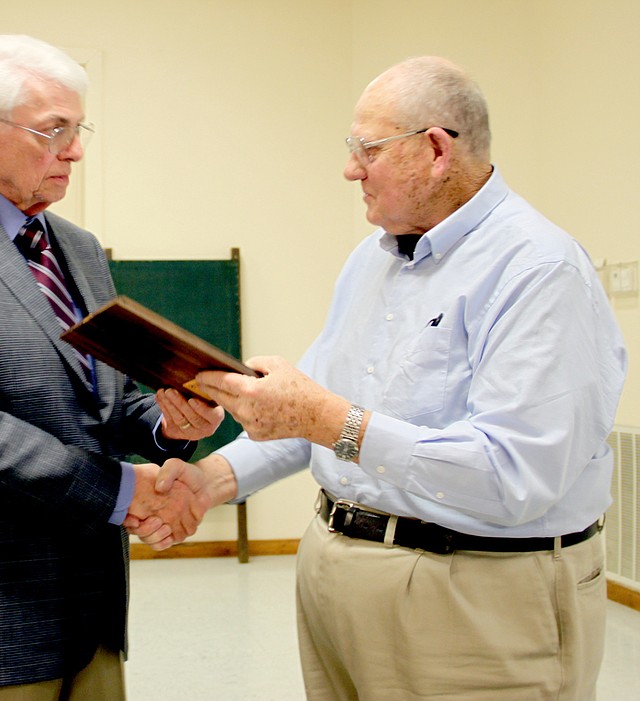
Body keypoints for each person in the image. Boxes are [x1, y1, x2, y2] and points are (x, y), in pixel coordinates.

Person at [131, 56, 628, 700]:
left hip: (476, 600)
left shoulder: (539, 271)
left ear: (436, 149)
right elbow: (308, 416)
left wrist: (324, 419)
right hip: (340, 579)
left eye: (367, 149)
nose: (350, 169)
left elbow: (516, 476)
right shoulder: (372, 258)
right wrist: (208, 481)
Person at [0, 34, 221, 700]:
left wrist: (170, 425)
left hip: (92, 611)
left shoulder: (76, 248)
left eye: (78, 128)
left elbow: (103, 404)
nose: (77, 149)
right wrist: (125, 490)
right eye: (54, 130)